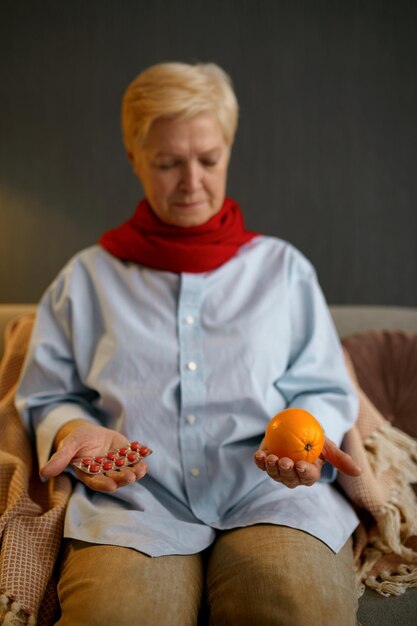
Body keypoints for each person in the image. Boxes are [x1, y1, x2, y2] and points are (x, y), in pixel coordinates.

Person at [16, 62, 362, 626]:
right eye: (168, 163)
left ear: (228, 149)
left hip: (273, 497)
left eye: (208, 159)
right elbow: (49, 395)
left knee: (299, 611)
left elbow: (322, 385)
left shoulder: (283, 271)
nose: (192, 181)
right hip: (133, 505)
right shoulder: (86, 279)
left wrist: (308, 440)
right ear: (134, 159)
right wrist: (74, 431)